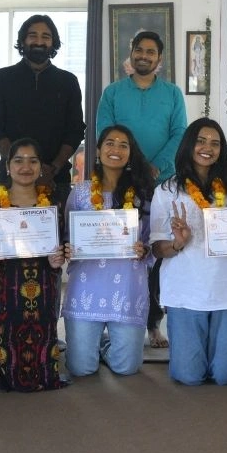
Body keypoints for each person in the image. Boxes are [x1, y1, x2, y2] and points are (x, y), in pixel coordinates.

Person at [96, 30, 187, 349]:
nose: (144, 56)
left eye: (151, 52)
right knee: (120, 251)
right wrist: (131, 165)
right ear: (131, 53)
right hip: (120, 181)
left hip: (161, 184)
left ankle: (153, 324)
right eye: (139, 50)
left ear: (159, 59)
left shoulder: (172, 93)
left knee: (157, 255)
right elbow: (105, 132)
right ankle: (111, 319)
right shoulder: (113, 92)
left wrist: (156, 166)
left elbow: (180, 133)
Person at [149, 118, 227, 385]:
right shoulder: (167, 190)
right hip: (186, 290)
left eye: (215, 143)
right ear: (188, 144)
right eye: (200, 141)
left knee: (226, 375)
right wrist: (178, 242)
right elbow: (157, 248)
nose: (207, 148)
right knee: (189, 376)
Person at [0, 137, 67, 391]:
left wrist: (58, 258)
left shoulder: (52, 206)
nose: (26, 167)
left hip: (41, 291)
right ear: (7, 166)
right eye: (18, 161)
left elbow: (61, 246)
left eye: (33, 161)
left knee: (39, 340)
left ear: (41, 167)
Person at [63, 124, 155, 376]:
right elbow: (68, 236)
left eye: (123, 145)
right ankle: (95, 345)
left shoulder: (142, 194)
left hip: (127, 287)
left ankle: (104, 346)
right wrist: (69, 248)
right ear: (98, 150)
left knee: (126, 367)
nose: (116, 149)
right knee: (81, 368)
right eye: (110, 143)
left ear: (130, 153)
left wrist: (144, 249)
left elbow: (152, 241)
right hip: (86, 287)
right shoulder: (80, 193)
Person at [0, 14, 85, 206]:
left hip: (56, 179)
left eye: (46, 37)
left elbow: (75, 130)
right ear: (23, 40)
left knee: (60, 226)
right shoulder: (2, 78)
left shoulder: (68, 81)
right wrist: (21, 163)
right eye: (32, 35)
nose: (39, 41)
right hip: (11, 178)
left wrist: (52, 169)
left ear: (53, 43)